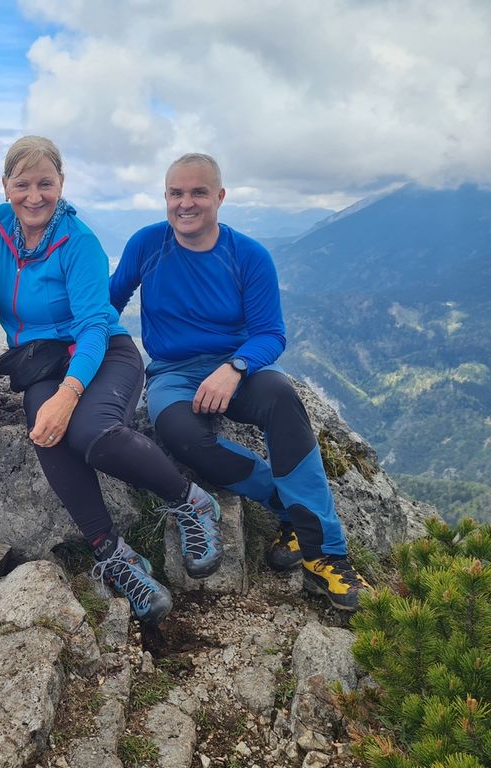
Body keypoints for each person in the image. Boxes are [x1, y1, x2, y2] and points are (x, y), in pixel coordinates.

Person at [110, 152, 372, 612]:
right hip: (172, 372)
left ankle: (325, 554)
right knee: (178, 431)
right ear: (165, 196)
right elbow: (108, 303)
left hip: (237, 365)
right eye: (176, 193)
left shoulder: (248, 255)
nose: (186, 203)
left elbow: (271, 333)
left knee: (281, 397)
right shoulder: (147, 245)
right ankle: (291, 508)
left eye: (198, 192)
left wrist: (235, 367)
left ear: (220, 197)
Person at [0, 136, 223, 627]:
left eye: (45, 183)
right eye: (22, 184)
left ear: (61, 183)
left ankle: (190, 501)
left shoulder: (79, 242)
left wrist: (69, 394)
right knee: (46, 434)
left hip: (105, 352)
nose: (34, 196)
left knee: (93, 434)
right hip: (42, 361)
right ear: (5, 186)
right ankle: (114, 555)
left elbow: (93, 324)